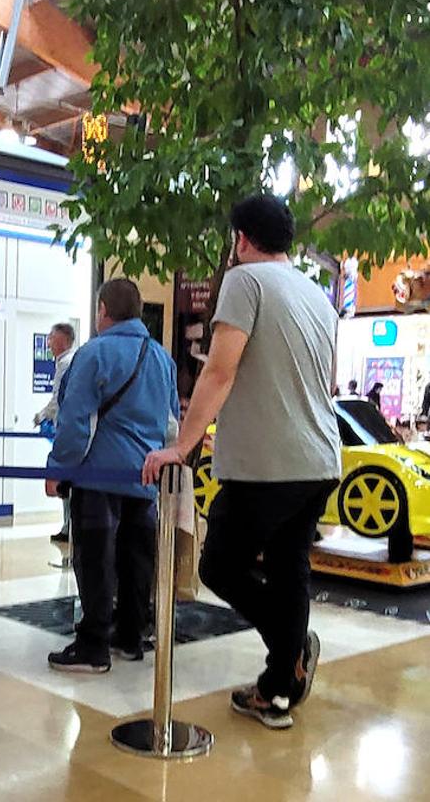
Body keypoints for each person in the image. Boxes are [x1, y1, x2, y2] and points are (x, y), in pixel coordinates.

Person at [144, 194, 340, 731]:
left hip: (268, 466)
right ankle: (278, 689)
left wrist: (181, 445)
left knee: (220, 566)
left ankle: (291, 656)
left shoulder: (244, 281)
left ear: (243, 239)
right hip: (320, 459)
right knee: (288, 569)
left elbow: (220, 372)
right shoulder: (318, 296)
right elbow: (316, 382)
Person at [45, 278, 178, 674]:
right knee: (137, 560)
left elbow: (76, 424)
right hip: (144, 478)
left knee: (95, 561)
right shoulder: (161, 358)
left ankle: (93, 646)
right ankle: (131, 638)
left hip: (98, 477)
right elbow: (171, 425)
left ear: (103, 309)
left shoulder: (94, 354)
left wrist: (58, 468)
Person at [34, 322, 78, 543]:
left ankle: (69, 527)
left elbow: (58, 401)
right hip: (70, 431)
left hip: (67, 434)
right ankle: (68, 526)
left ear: (61, 340)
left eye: (51, 338)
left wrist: (41, 416)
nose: (48, 342)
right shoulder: (71, 362)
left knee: (65, 483)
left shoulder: (65, 365)